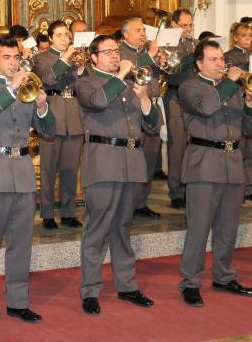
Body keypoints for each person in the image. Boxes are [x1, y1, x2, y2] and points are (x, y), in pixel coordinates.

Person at [0, 35, 55, 330]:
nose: (13, 62)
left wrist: (43, 107)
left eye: (16, 57)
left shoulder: (28, 87)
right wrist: (10, 88)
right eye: (6, 57)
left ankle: (18, 302)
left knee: (21, 244)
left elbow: (48, 130)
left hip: (22, 172)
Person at [76, 34, 161, 315]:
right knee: (97, 229)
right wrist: (122, 73)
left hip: (131, 162)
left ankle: (127, 286)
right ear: (94, 57)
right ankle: (90, 291)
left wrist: (146, 98)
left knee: (123, 228)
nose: (115, 55)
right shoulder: (86, 82)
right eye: (108, 51)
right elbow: (98, 102)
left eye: (117, 51)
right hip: (102, 161)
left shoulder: (130, 85)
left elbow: (152, 125)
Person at [177, 40, 252, 307]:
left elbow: (248, 128)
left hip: (232, 162)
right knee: (199, 228)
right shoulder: (190, 87)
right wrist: (229, 84)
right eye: (214, 59)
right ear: (199, 63)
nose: (221, 63)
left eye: (221, 58)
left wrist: (249, 101)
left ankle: (224, 276)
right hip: (204, 162)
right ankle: (190, 282)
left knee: (228, 227)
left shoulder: (232, 89)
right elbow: (205, 108)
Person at [33, 20, 84, 229]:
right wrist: (67, 56)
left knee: (70, 169)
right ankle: (46, 213)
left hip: (74, 115)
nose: (65, 38)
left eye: (67, 35)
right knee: (48, 169)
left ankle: (68, 212)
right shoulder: (41, 58)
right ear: (51, 38)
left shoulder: (78, 58)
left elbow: (85, 86)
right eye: (61, 35)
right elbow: (49, 78)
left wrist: (82, 70)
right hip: (52, 115)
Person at [119, 17, 165, 219]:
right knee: (133, 160)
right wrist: (150, 57)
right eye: (137, 30)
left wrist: (161, 63)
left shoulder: (147, 53)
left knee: (149, 158)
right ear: (125, 34)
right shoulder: (120, 52)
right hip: (132, 111)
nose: (142, 34)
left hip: (152, 107)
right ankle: (128, 202)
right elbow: (128, 69)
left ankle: (142, 201)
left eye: (143, 31)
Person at [225, 22, 252, 202]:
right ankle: (237, 189)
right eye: (244, 35)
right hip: (239, 105)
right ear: (235, 38)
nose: (248, 39)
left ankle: (249, 188)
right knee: (239, 149)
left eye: (250, 35)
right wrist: (246, 70)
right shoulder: (228, 56)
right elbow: (230, 79)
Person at [163, 8, 197, 209]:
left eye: (190, 24)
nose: (188, 28)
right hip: (175, 95)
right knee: (177, 146)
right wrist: (195, 57)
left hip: (194, 97)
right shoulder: (167, 42)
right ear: (174, 24)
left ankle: (189, 188)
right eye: (184, 25)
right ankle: (176, 191)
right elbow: (173, 68)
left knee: (193, 144)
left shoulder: (193, 43)